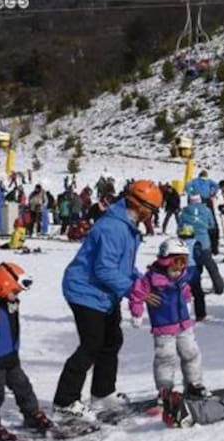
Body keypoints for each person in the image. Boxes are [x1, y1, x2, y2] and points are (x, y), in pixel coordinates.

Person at [52, 179, 161, 420]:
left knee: (112, 341)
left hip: (104, 293)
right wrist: (135, 291)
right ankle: (65, 400)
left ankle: (102, 393)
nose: (152, 215)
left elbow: (124, 266)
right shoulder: (113, 227)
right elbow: (104, 269)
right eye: (152, 210)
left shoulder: (129, 227)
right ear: (140, 206)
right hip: (84, 291)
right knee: (91, 345)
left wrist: (144, 281)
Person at [0, 262, 53, 441]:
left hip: (11, 358)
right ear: (3, 286)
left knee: (24, 387)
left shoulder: (10, 304)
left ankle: (32, 415)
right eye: (15, 291)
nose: (17, 295)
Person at [129, 239, 207, 404]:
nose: (180, 266)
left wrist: (187, 302)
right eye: (177, 261)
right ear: (165, 260)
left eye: (184, 261)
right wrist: (137, 314)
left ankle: (194, 383)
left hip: (184, 325)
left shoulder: (182, 277)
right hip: (163, 326)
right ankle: (165, 389)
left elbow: (186, 290)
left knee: (191, 353)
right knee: (166, 357)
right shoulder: (151, 279)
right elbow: (137, 293)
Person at [178, 223, 223, 322]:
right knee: (197, 293)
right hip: (193, 270)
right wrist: (200, 267)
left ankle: (180, 313)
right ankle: (200, 314)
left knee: (180, 292)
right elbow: (198, 257)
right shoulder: (196, 243)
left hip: (180, 269)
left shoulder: (178, 243)